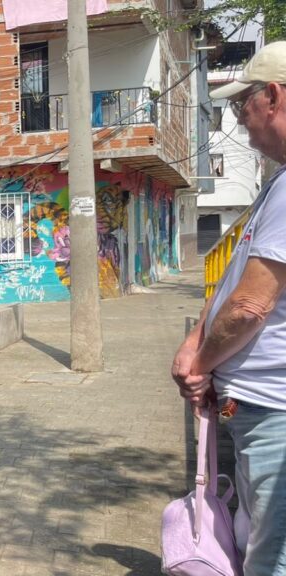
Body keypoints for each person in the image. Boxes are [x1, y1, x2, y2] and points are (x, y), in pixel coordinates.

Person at [172, 41, 286, 576]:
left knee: (271, 555)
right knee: (256, 538)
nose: (239, 116)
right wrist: (197, 339)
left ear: (274, 97)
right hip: (259, 409)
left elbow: (249, 306)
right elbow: (235, 286)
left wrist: (199, 365)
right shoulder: (276, 183)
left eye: (244, 103)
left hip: (275, 415)